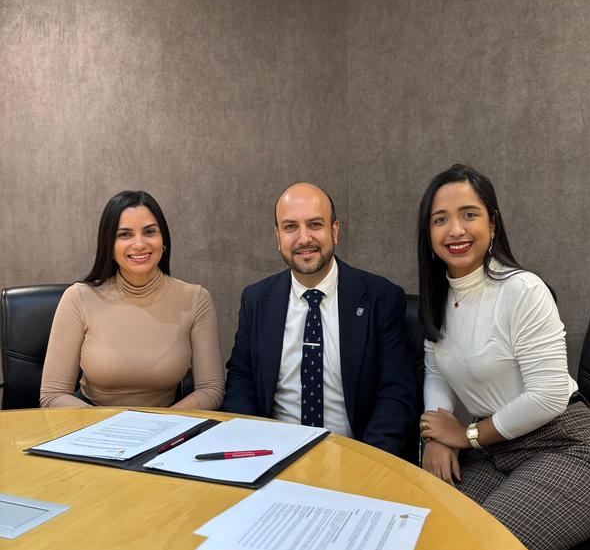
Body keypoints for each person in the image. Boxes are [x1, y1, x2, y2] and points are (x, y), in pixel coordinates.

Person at [417, 163, 590, 550]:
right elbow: (437, 370)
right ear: (428, 234)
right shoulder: (438, 298)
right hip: (496, 453)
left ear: (492, 223)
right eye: (441, 219)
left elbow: (547, 398)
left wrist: (467, 436)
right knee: (424, 537)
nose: (455, 230)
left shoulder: (522, 289)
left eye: (469, 214)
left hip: (567, 446)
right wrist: (436, 434)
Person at [222, 182, 416, 459]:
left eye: (315, 224)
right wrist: (254, 448)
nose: (304, 239)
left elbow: (396, 394)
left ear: (334, 231)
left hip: (356, 456)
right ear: (278, 236)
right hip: (274, 456)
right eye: (290, 227)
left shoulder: (380, 298)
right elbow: (241, 379)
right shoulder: (256, 300)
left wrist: (370, 464)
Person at [40, 190, 224, 410]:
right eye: (125, 234)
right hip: (90, 426)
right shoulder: (78, 298)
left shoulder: (196, 299)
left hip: (167, 427)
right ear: (109, 246)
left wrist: (161, 426)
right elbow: (53, 395)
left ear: (163, 239)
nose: (139, 244)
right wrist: (109, 427)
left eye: (149, 232)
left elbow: (211, 390)